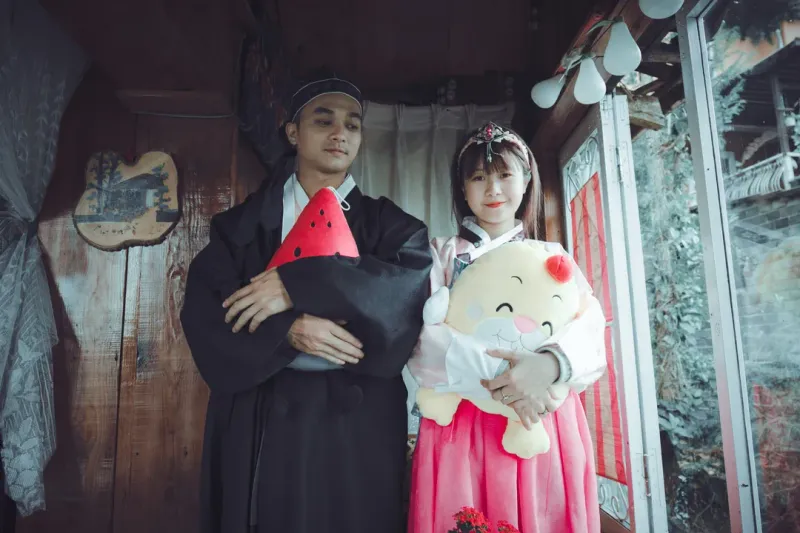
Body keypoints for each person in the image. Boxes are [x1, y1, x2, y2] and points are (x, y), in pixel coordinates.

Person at [180, 75, 433, 533]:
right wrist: (289, 331)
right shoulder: (240, 229)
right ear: (293, 132)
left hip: (357, 426)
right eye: (324, 120)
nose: (340, 134)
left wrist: (293, 285)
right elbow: (207, 312)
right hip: (262, 414)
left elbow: (404, 299)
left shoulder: (394, 228)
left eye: (352, 125)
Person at [406, 122, 607, 533]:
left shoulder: (551, 255)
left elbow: (589, 326)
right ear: (462, 189)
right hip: (462, 415)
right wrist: (504, 375)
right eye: (478, 178)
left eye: (504, 175)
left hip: (539, 413)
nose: (493, 189)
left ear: (527, 180)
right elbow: (422, 340)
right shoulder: (441, 255)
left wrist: (549, 365)